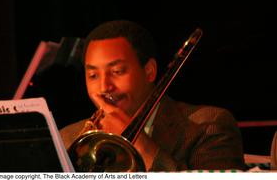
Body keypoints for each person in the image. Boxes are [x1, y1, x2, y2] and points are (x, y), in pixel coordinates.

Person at [60, 20, 246, 171]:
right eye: (93, 75)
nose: (104, 87)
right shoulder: (67, 138)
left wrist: (140, 144)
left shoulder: (209, 126)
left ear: (149, 71)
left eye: (117, 71)